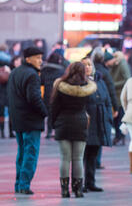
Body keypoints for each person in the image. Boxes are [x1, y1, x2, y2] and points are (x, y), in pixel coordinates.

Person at [51, 62, 97, 198]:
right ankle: (78, 190)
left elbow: (54, 107)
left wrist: (54, 124)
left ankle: (64, 190)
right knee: (78, 158)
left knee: (65, 158)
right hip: (80, 123)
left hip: (63, 123)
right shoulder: (87, 88)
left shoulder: (60, 86)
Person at [7, 47, 48, 195]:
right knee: (30, 152)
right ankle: (24, 184)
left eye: (41, 57)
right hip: (31, 121)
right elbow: (34, 99)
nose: (40, 61)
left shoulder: (15, 72)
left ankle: (19, 183)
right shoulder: (32, 75)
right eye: (37, 57)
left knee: (22, 152)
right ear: (28, 59)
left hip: (18, 120)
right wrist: (45, 113)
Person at [81, 57, 113, 191]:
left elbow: (107, 100)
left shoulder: (100, 82)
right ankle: (79, 183)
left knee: (93, 153)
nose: (87, 67)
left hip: (99, 121)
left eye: (89, 64)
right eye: (84, 65)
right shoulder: (79, 82)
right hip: (86, 122)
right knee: (82, 155)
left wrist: (109, 117)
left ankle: (90, 182)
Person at [107, 51, 131, 145]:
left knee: (119, 116)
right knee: (117, 117)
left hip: (120, 94)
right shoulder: (115, 64)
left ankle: (120, 135)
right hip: (115, 94)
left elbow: (127, 79)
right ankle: (120, 135)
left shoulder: (122, 64)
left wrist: (113, 85)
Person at [40, 52, 65, 139]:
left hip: (47, 94)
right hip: (58, 93)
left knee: (50, 113)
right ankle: (57, 131)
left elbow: (41, 81)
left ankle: (49, 131)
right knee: (57, 112)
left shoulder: (44, 69)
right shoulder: (61, 70)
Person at [0, 63, 10, 138]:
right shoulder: (8, 71)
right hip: (5, 95)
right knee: (2, 114)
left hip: (5, 95)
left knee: (2, 114)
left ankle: (3, 132)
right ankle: (3, 131)